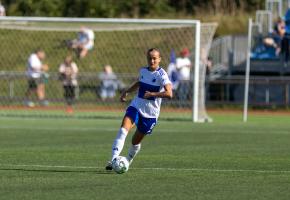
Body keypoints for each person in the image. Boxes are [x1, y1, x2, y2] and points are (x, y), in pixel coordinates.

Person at [105, 48, 173, 171]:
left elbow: (169, 94)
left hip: (150, 115)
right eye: (149, 58)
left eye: (154, 58)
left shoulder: (162, 75)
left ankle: (127, 161)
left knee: (135, 142)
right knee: (122, 131)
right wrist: (127, 91)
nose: (152, 61)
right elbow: (140, 83)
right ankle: (114, 159)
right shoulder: (143, 71)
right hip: (136, 106)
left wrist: (152, 94)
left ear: (159, 59)